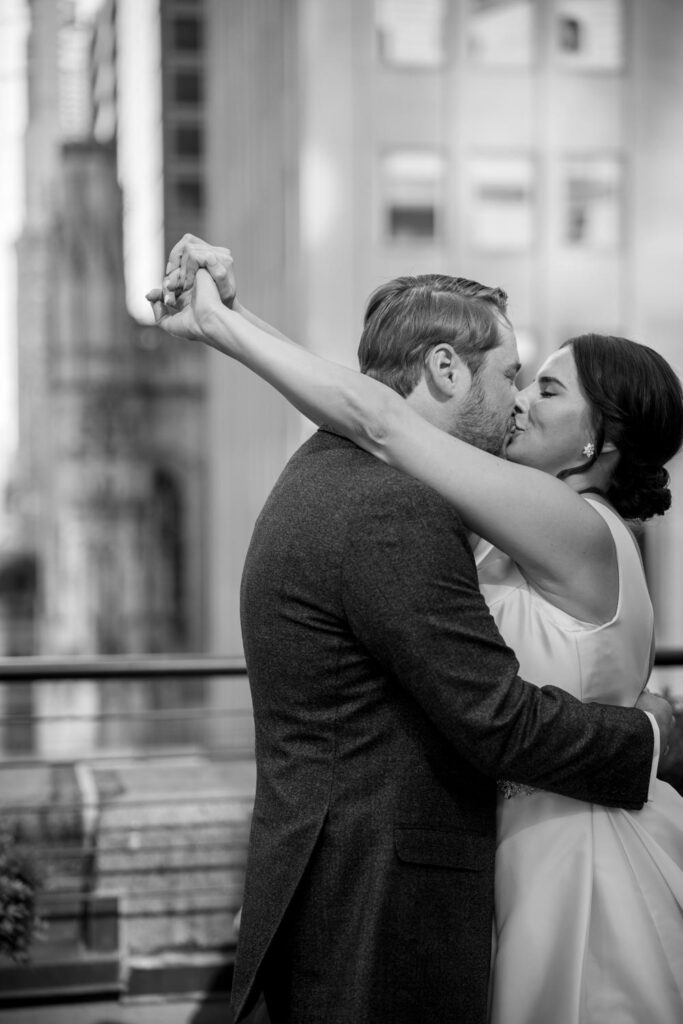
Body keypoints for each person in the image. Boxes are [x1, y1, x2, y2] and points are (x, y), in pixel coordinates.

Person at [147, 243, 675, 1024]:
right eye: (515, 374)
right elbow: (380, 416)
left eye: (544, 386)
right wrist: (650, 737)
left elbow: (382, 417)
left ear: (599, 440)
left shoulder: (561, 522)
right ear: (444, 368)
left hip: (560, 853)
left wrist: (223, 321)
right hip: (420, 874)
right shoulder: (398, 506)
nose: (520, 400)